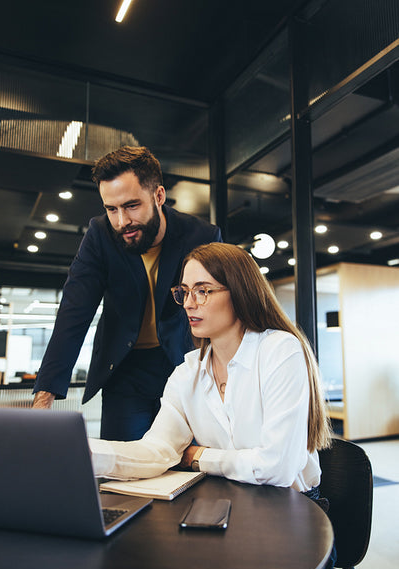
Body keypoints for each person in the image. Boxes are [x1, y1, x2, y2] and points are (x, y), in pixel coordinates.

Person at [89, 242, 332, 492]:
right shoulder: (187, 372)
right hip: (231, 501)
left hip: (292, 510)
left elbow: (277, 468)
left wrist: (200, 456)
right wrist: (82, 451)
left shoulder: (279, 350)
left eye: (202, 290)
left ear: (240, 292)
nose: (188, 304)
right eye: (184, 292)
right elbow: (157, 451)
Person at [32, 146, 222, 441]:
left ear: (158, 196)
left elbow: (221, 310)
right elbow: (74, 312)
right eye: (111, 209)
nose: (122, 221)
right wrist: (42, 404)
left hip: (185, 368)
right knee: (123, 471)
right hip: (124, 370)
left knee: (187, 466)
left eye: (132, 205)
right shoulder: (100, 235)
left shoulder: (202, 236)